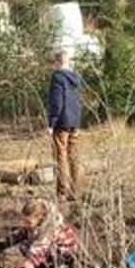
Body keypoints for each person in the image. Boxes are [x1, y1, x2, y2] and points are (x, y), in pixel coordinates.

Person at [0, 197, 81, 268]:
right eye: (24, 221)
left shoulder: (47, 233)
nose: (25, 224)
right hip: (49, 246)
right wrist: (4, 243)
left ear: (40, 218)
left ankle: (62, 265)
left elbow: (34, 258)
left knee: (32, 250)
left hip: (65, 251)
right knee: (25, 245)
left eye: (28, 222)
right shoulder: (36, 225)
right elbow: (22, 233)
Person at [47, 48, 85, 202]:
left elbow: (57, 102)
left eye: (54, 63)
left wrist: (51, 123)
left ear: (57, 62)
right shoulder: (76, 78)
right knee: (74, 155)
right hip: (75, 121)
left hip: (62, 122)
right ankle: (76, 191)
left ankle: (62, 192)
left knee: (60, 156)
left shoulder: (57, 77)